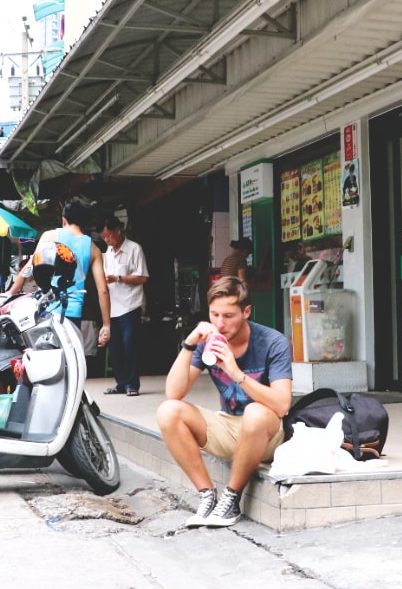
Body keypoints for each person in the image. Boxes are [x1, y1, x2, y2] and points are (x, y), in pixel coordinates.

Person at [156, 277, 293, 528]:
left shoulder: (273, 342)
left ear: (246, 311)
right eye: (214, 314)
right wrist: (189, 344)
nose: (220, 323)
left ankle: (231, 497)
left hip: (266, 433)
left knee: (255, 412)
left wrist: (234, 372)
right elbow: (174, 393)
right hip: (228, 428)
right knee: (168, 412)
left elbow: (282, 404)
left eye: (229, 315)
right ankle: (207, 495)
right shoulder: (210, 339)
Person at [10, 200, 111, 348]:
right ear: (84, 223)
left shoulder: (50, 236)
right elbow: (103, 290)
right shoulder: (93, 248)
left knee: (48, 357)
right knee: (70, 360)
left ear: (64, 220)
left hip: (47, 309)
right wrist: (106, 325)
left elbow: (29, 268)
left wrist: (11, 292)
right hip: (73, 314)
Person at [101, 216, 148, 397]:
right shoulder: (108, 252)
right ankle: (120, 383)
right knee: (115, 347)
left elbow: (143, 277)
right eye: (104, 237)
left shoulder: (134, 249)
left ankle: (132, 384)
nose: (107, 240)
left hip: (130, 305)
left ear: (118, 231)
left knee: (130, 344)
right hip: (112, 306)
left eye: (109, 236)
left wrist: (118, 278)